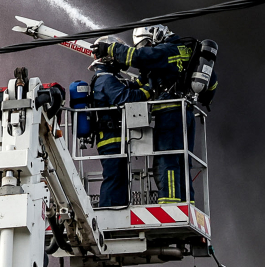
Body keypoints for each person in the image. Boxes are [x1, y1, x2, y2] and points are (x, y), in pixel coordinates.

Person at [93, 26, 218, 204]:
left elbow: (139, 58)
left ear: (155, 35)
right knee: (183, 162)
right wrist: (130, 87)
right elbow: (148, 79)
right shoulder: (185, 52)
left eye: (145, 44)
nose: (145, 49)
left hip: (170, 113)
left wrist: (110, 49)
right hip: (185, 113)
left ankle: (171, 204)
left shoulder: (165, 51)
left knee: (167, 161)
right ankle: (186, 203)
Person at [88, 55, 151, 207]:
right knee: (114, 177)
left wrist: (143, 79)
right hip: (111, 138)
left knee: (119, 177)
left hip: (114, 138)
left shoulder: (108, 78)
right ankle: (108, 211)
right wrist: (148, 91)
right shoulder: (106, 79)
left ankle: (118, 207)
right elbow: (124, 96)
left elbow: (127, 87)